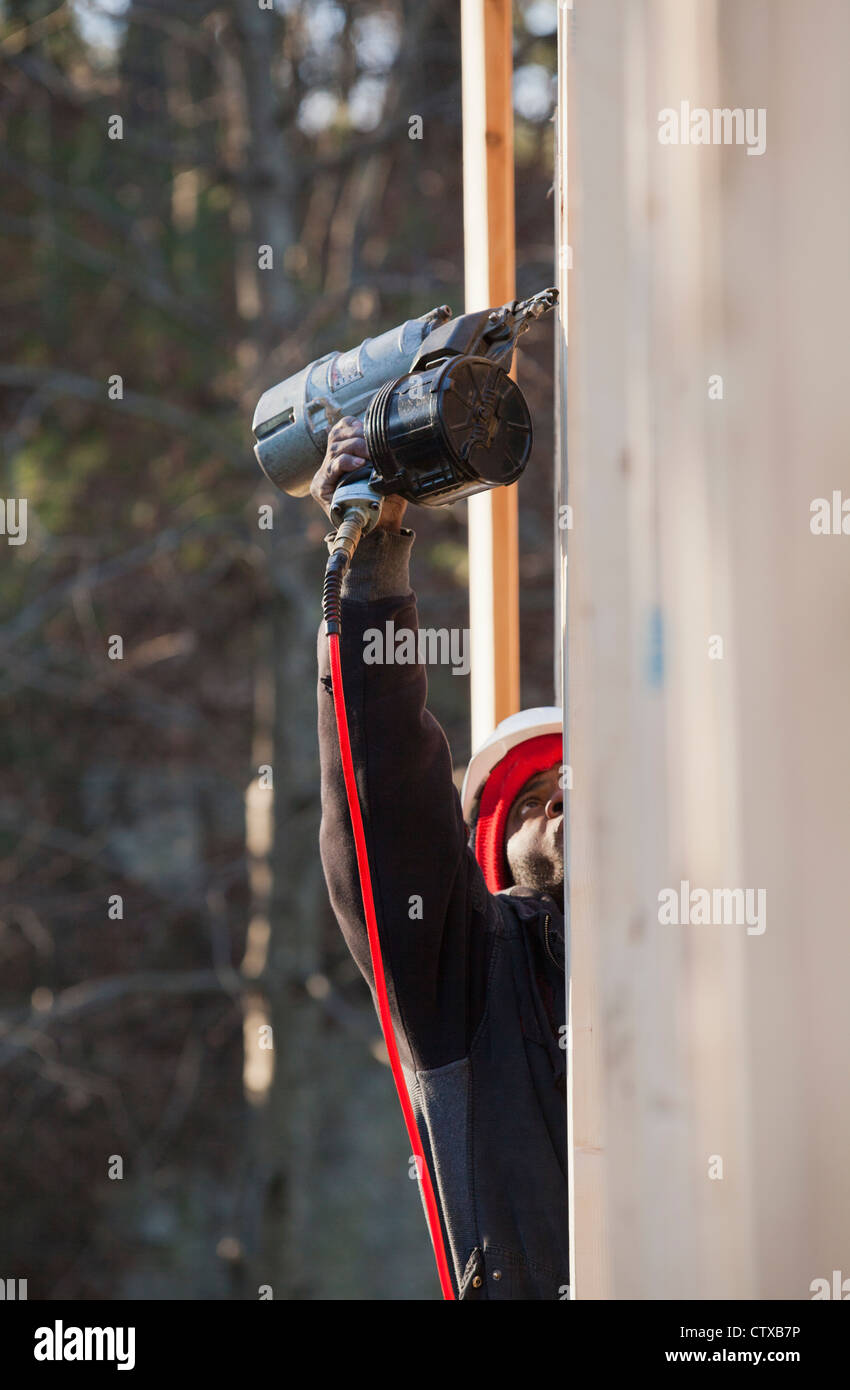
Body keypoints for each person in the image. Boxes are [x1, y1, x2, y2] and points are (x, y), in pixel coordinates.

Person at [313, 415, 568, 1301]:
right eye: (535, 800)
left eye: (581, 788)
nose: (562, 803)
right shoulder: (471, 975)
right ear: (492, 857)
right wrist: (370, 573)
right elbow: (387, 800)